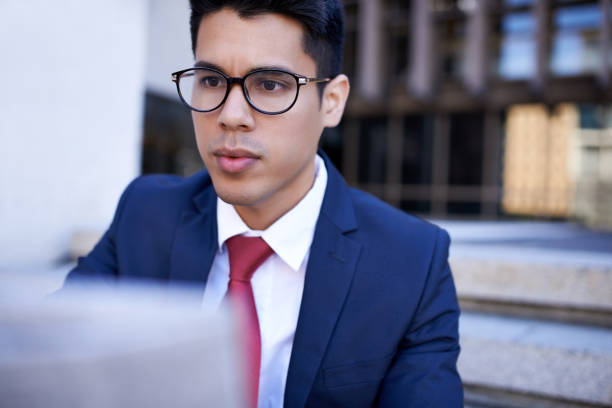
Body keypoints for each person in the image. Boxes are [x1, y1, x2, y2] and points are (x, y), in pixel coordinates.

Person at [63, 0, 463, 406]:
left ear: (332, 101)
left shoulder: (411, 262)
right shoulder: (144, 214)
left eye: (270, 84)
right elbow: (47, 364)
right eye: (212, 80)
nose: (231, 116)